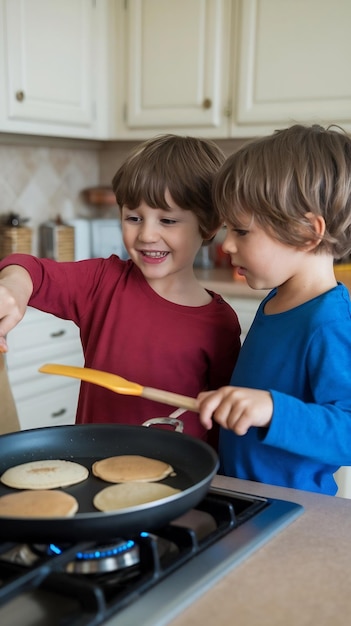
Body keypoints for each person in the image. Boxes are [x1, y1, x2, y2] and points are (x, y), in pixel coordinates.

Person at [0, 134, 241, 446]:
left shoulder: (220, 323)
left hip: (175, 476)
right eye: (133, 217)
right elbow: (32, 270)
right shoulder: (103, 282)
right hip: (93, 464)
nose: (146, 234)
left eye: (167, 220)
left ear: (208, 225)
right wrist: (14, 287)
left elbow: (221, 421)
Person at [197, 124, 351, 493]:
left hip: (294, 510)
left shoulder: (329, 322)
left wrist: (272, 409)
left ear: (307, 231)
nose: (227, 246)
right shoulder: (278, 299)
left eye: (241, 231)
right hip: (247, 495)